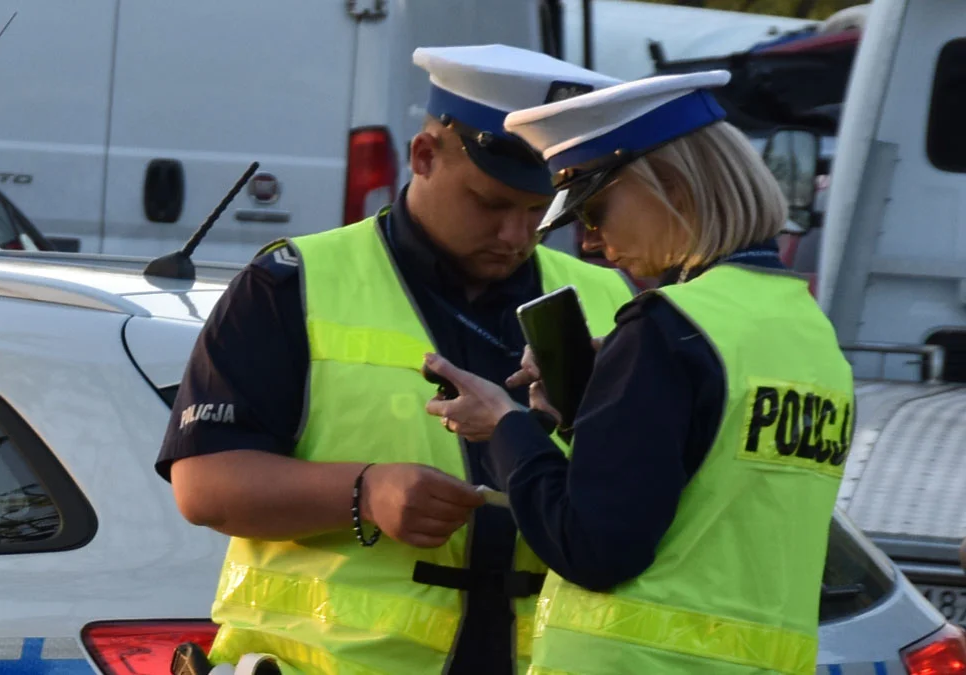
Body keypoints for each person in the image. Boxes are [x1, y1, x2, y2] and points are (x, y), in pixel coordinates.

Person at [156, 45, 635, 675]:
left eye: (537, 212)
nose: (516, 237)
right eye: (491, 205)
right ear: (424, 157)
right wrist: (364, 491)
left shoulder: (609, 300)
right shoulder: (292, 282)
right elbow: (203, 486)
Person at [424, 70, 856, 674]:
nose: (593, 243)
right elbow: (714, 504)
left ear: (673, 188)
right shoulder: (807, 332)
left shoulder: (665, 328)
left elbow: (594, 547)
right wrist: (600, 411)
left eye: (596, 210)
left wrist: (505, 428)